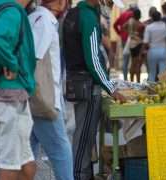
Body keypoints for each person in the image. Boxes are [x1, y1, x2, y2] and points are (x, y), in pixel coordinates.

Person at [63, 0, 126, 179]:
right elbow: (93, 59)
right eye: (110, 2)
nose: (111, 6)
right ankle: (79, 174)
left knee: (84, 134)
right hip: (88, 86)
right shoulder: (88, 18)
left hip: (77, 81)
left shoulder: (74, 14)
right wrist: (110, 87)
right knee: (84, 136)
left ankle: (83, 172)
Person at [28, 1, 74, 180]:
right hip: (44, 100)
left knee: (28, 152)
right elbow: (34, 59)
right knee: (61, 152)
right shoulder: (44, 21)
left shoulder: (35, 18)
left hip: (35, 98)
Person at [0, 0, 37, 180]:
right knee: (11, 164)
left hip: (14, 94)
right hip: (8, 95)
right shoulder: (12, 11)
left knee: (25, 162)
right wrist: (12, 63)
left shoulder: (7, 9)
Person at [142, 11, 166, 82]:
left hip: (152, 51)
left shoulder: (149, 27)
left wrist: (144, 50)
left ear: (152, 18)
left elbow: (145, 42)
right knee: (162, 73)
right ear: (160, 17)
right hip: (164, 51)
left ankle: (151, 89)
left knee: (152, 73)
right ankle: (161, 90)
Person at [123, 8, 144, 83]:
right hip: (138, 43)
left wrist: (129, 33)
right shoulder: (139, 23)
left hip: (131, 43)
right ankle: (137, 81)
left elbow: (123, 26)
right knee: (137, 64)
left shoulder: (130, 21)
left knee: (132, 63)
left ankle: (131, 80)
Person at [114, 7, 134, 80]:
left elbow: (115, 25)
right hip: (131, 38)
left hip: (124, 39)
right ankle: (132, 79)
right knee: (134, 59)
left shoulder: (122, 15)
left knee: (125, 58)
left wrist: (120, 33)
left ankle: (125, 78)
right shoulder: (132, 14)